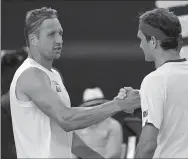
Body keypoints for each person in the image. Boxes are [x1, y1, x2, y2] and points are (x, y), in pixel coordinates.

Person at [9, 7, 140, 158]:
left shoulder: (54, 75)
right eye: (51, 34)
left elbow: (72, 141)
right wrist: (118, 104)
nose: (59, 40)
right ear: (33, 39)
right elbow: (66, 119)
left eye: (60, 33)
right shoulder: (30, 74)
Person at [130, 8, 188, 158]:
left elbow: (148, 146)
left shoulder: (155, 80)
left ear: (153, 42)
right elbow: (180, 122)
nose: (140, 45)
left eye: (141, 40)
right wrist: (140, 107)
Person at [74, 87, 123, 158]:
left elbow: (113, 154)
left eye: (98, 105)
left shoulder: (113, 125)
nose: (94, 109)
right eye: (91, 106)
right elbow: (73, 153)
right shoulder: (78, 127)